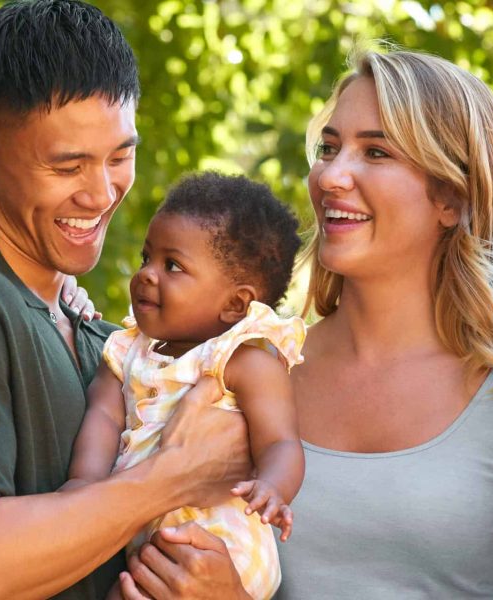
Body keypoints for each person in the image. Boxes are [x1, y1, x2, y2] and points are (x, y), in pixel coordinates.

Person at [0, 2, 250, 599]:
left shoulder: (89, 324)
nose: (102, 193)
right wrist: (173, 478)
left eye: (119, 156)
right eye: (68, 166)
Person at [119, 46, 493, 600]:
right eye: (329, 148)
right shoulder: (250, 363)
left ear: (450, 196)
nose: (330, 176)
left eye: (375, 152)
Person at [65, 172, 306, 600]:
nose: (146, 275)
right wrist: (84, 482)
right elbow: (102, 415)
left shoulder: (242, 359)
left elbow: (281, 442)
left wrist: (273, 487)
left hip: (224, 541)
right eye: (145, 259)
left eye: (171, 265)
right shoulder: (127, 350)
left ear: (235, 303)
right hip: (147, 536)